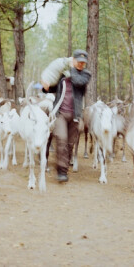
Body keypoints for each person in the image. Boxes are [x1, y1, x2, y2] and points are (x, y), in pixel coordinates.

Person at [41, 49, 91, 183]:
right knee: (61, 139)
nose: (81, 65)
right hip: (61, 114)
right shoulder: (64, 75)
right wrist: (45, 87)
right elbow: (55, 88)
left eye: (83, 63)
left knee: (69, 144)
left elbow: (77, 82)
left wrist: (71, 68)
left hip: (75, 115)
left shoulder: (85, 75)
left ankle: (63, 167)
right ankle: (61, 171)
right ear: (73, 60)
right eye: (78, 62)